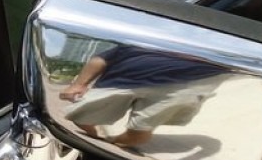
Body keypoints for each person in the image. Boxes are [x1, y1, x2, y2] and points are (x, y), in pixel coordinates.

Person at [58, 43, 226, 148]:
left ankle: (112, 144)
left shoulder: (222, 48)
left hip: (184, 85)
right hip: (121, 80)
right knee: (79, 115)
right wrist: (79, 84)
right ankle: (99, 139)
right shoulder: (147, 34)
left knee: (138, 134)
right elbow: (103, 58)